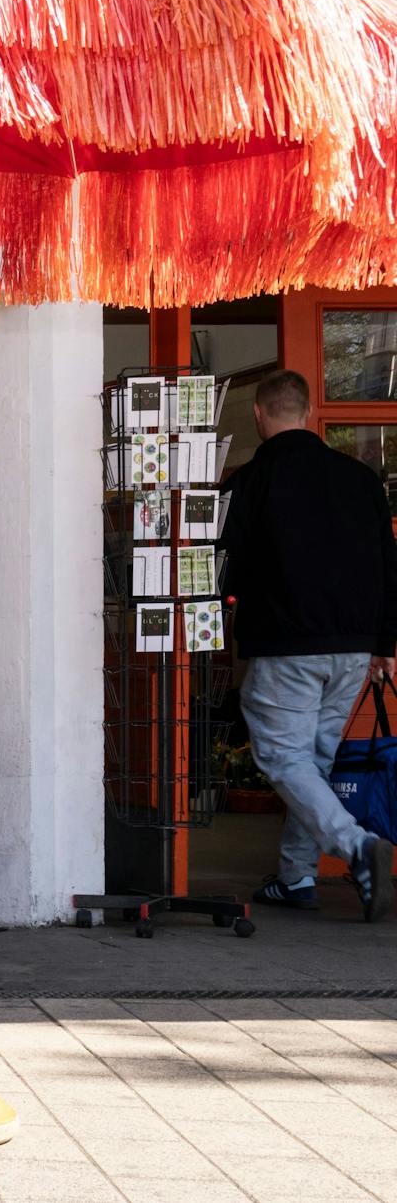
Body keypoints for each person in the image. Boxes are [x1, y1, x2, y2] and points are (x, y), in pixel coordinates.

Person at [220, 368, 397, 920]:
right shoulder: (360, 479)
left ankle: (356, 846)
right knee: (314, 760)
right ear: (310, 412)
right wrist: (385, 644)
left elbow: (226, 565)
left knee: (282, 756)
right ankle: (296, 877)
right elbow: (388, 566)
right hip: (353, 647)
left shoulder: (250, 482)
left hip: (286, 645)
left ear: (258, 414)